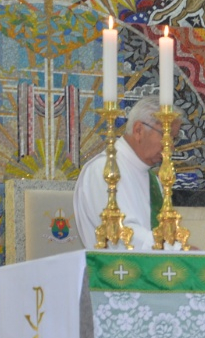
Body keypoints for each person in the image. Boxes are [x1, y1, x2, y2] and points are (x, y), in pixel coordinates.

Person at [74, 95, 186, 250]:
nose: (170, 147)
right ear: (138, 130)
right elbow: (121, 233)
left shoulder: (152, 179)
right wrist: (175, 250)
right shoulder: (104, 169)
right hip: (115, 270)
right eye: (165, 135)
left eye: (173, 139)